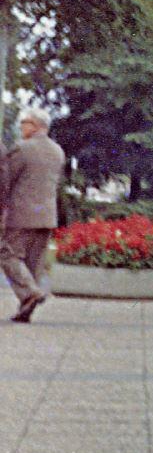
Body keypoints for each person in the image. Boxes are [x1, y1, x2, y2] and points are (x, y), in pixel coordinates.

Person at [1, 107, 66, 324]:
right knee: (34, 262)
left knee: (8, 254)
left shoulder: (22, 148)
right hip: (47, 216)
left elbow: (6, 180)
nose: (20, 127)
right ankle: (26, 309)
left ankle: (30, 292)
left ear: (35, 125)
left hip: (21, 214)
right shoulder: (58, 151)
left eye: (23, 123)